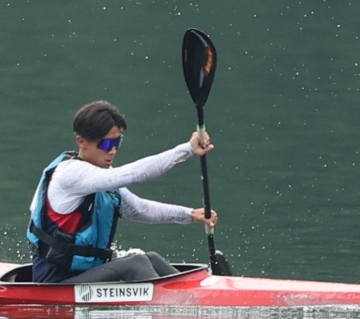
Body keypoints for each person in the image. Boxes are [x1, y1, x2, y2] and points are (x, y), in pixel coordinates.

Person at [27, 100, 218, 283]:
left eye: (117, 142)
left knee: (151, 258)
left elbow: (139, 209)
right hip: (55, 282)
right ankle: (176, 301)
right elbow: (134, 174)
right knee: (136, 264)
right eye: (105, 144)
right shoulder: (70, 175)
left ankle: (196, 294)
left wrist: (190, 214)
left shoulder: (102, 176)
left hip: (83, 275)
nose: (112, 151)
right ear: (82, 141)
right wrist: (187, 149)